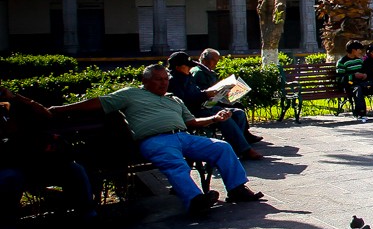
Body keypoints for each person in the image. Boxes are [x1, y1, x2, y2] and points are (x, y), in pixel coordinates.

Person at [50, 64, 266, 217]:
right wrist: (60, 110)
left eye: (165, 79)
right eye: (158, 79)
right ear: (145, 81)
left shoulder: (174, 99)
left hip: (183, 136)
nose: (164, 83)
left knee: (222, 147)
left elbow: (191, 122)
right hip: (154, 140)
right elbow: (99, 102)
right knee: (176, 164)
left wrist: (215, 118)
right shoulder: (130, 94)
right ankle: (194, 200)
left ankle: (237, 189)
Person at [1, 85, 95, 229]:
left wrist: (17, 98)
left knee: (75, 170)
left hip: (39, 161)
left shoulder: (18, 104)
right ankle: (6, 228)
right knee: (10, 177)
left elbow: (46, 115)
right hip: (11, 164)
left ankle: (87, 216)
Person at [166, 52, 259, 160]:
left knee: (238, 113)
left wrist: (210, 94)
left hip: (202, 106)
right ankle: (245, 150)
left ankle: (235, 148)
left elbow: (196, 92)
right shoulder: (173, 81)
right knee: (223, 115)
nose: (190, 68)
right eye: (187, 66)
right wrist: (205, 95)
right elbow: (184, 101)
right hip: (192, 112)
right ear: (178, 67)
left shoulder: (187, 76)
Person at [193, 47, 262, 145]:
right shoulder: (199, 72)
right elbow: (202, 92)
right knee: (235, 111)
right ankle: (241, 140)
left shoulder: (208, 71)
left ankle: (243, 136)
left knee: (238, 106)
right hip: (205, 106)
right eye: (214, 61)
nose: (216, 63)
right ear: (204, 60)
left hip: (215, 101)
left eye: (217, 61)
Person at [335, 39, 373, 120]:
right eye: (359, 49)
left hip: (361, 83)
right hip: (349, 84)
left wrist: (365, 75)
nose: (360, 51)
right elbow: (340, 79)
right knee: (357, 88)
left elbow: (365, 71)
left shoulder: (359, 60)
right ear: (353, 50)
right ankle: (360, 113)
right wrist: (353, 76)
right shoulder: (342, 62)